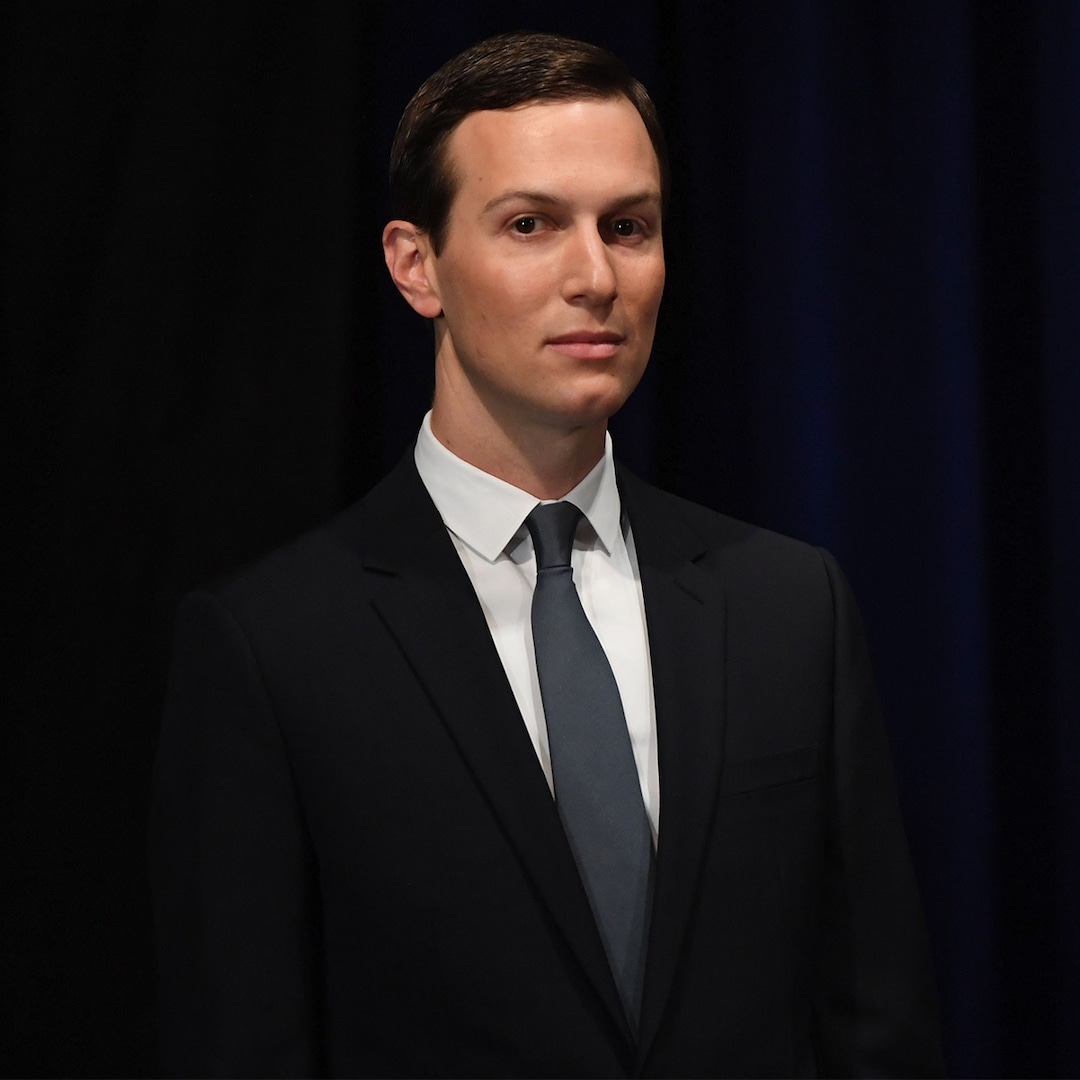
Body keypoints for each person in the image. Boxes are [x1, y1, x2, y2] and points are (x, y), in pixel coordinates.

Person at [150, 31, 944, 1077]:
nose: (595, 276)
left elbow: (877, 1025)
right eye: (531, 224)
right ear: (417, 265)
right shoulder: (274, 646)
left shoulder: (789, 607)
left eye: (628, 227)